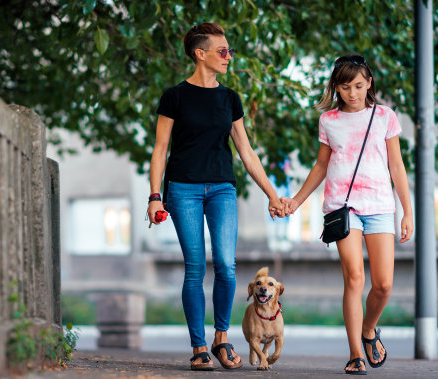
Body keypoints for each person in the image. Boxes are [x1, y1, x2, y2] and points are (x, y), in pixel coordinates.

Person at [147, 22, 285, 371]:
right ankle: (198, 348)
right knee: (195, 268)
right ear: (200, 53)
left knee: (226, 264)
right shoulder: (174, 96)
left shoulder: (230, 98)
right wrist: (155, 195)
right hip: (183, 189)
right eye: (222, 51)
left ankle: (221, 339)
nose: (228, 56)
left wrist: (272, 194)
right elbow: (160, 149)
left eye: (229, 51)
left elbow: (247, 152)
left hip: (222, 188)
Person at [280, 54, 413, 375]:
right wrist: (296, 200)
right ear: (336, 88)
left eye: (357, 85)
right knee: (354, 277)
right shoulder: (329, 121)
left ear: (369, 83)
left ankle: (369, 330)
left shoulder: (385, 116)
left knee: (383, 285)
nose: (352, 93)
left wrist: (408, 211)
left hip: (381, 206)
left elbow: (397, 165)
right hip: (343, 207)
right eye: (344, 86)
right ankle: (355, 353)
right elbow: (321, 165)